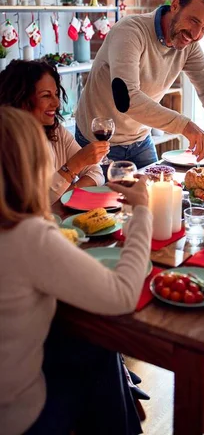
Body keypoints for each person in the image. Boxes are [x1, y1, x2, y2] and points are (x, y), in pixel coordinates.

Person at [0, 106, 153, 435]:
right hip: (16, 418)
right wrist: (141, 211)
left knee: (78, 341)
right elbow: (124, 295)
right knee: (98, 346)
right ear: (30, 168)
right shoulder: (26, 235)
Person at [75, 0, 204, 168]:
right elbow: (127, 99)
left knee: (159, 194)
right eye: (194, 21)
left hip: (140, 139)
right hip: (99, 142)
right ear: (175, 6)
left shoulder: (189, 46)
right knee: (104, 198)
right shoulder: (130, 32)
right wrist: (185, 125)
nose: (196, 34)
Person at [0, 59, 106, 203]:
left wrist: (63, 199)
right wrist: (75, 164)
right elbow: (32, 204)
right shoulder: (8, 146)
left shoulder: (56, 131)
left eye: (56, 94)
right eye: (46, 95)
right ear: (21, 100)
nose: (56, 103)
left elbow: (96, 173)